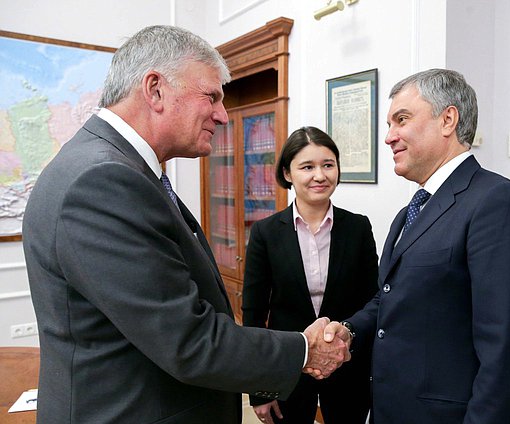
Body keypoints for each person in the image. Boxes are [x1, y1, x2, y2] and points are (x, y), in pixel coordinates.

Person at [21, 25, 349, 424]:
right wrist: (304, 349)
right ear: (155, 89)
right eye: (211, 96)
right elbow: (188, 340)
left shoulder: (113, 166)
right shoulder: (103, 179)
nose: (222, 115)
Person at [335, 69, 510, 424]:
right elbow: (391, 297)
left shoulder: (502, 204)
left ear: (448, 119)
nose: (389, 137)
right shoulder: (412, 211)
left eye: (401, 120)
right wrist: (348, 331)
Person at [242, 127, 379, 424]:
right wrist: (260, 389)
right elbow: (254, 313)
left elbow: (373, 301)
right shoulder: (265, 233)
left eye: (328, 165)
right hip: (288, 367)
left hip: (347, 365)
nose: (320, 175)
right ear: (288, 173)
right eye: (307, 167)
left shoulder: (358, 228)